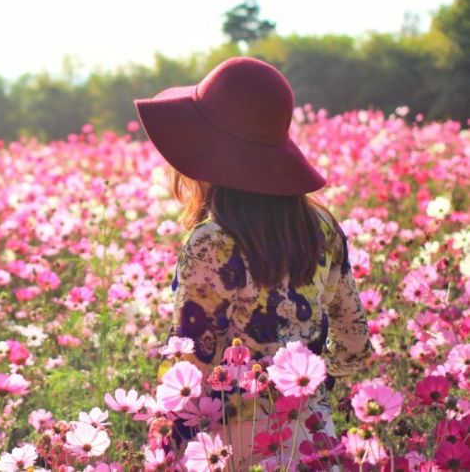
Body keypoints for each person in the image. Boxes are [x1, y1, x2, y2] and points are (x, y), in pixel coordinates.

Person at [134, 57, 372, 468]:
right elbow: (354, 343)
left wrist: (163, 445)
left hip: (234, 443)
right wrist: (315, 387)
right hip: (312, 437)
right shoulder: (322, 226)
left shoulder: (213, 240)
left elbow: (197, 362)